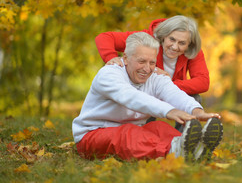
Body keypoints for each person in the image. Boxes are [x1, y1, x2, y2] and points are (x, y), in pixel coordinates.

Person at [72, 32, 223, 161]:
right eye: (141, 61)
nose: (147, 68)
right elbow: (132, 97)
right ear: (125, 58)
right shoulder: (109, 74)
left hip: (134, 129)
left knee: (159, 127)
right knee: (128, 135)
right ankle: (173, 152)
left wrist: (196, 111)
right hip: (92, 136)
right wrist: (169, 111)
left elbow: (174, 93)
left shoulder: (155, 75)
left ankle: (195, 148)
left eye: (152, 62)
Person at [95, 15, 209, 98]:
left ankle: (188, 130)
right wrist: (110, 57)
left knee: (194, 98)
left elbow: (203, 82)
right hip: (144, 90)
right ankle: (142, 129)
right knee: (145, 94)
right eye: (172, 39)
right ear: (164, 36)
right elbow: (104, 37)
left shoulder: (192, 51)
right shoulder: (145, 40)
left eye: (182, 43)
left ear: (189, 44)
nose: (175, 47)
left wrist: (164, 84)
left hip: (171, 91)